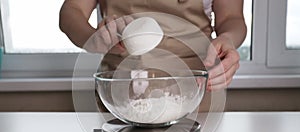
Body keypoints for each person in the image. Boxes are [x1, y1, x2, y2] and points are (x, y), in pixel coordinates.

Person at [59, 0, 247, 91]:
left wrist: (228, 38)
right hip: (120, 94)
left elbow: (232, 18)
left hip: (195, 91)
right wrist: (91, 38)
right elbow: (72, 11)